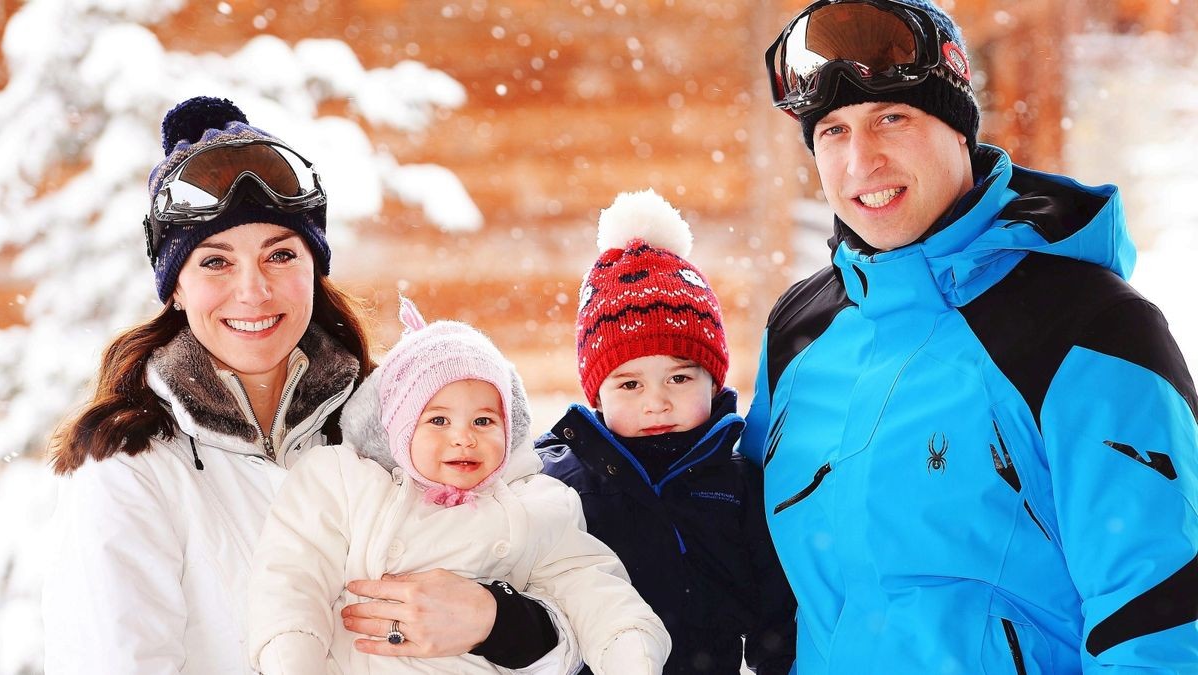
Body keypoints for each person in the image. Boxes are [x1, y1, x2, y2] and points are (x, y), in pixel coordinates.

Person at [40, 96, 571, 674]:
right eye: (215, 262)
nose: (253, 291)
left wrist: (503, 624)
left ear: (313, 270)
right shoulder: (131, 467)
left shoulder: (396, 424)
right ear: (175, 288)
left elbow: (562, 593)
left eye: (280, 255)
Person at [743, 1, 1198, 672]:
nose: (861, 159)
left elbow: (1160, 621)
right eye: (833, 131)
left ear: (957, 129)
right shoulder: (799, 335)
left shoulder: (1086, 329)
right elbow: (758, 587)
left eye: (891, 118)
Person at [248, 299, 670, 674]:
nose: (463, 437)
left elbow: (590, 587)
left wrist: (629, 648)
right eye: (438, 420)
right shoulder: (347, 483)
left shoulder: (533, 504)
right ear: (398, 427)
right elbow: (292, 575)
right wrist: (292, 655)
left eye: (484, 421)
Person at [537, 189, 798, 674]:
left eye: (679, 378)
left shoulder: (739, 484)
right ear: (598, 395)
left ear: (713, 379)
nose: (656, 402)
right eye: (630, 383)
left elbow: (777, 620)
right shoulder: (559, 485)